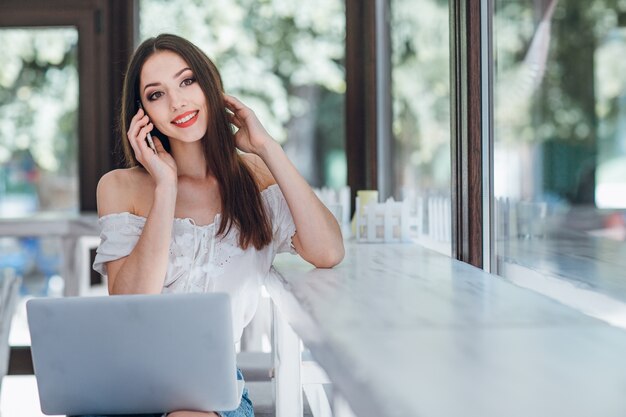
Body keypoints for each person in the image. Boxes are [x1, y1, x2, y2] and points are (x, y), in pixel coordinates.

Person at [86, 33, 345, 417]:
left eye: (187, 81)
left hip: (212, 388)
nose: (177, 103)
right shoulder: (120, 186)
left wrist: (267, 148)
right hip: (131, 383)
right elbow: (130, 304)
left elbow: (328, 251)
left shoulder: (255, 179)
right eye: (157, 95)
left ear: (210, 86)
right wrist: (166, 186)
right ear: (142, 114)